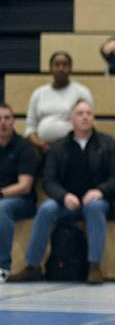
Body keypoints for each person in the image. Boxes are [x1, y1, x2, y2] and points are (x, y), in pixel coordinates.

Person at [8, 100, 115, 285]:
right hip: (67, 202)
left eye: (88, 113)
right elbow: (49, 180)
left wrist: (100, 191)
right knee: (46, 209)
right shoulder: (59, 147)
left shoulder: (108, 144)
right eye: (80, 114)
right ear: (71, 120)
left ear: (93, 118)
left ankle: (94, 266)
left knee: (95, 208)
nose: (85, 117)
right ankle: (32, 266)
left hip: (96, 201)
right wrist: (64, 196)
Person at [0, 103, 39, 284]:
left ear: (14, 121)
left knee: (2, 208)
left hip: (21, 201)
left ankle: (3, 267)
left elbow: (25, 186)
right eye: (0, 119)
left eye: (7, 118)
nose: (3, 123)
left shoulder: (24, 147)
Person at [25, 51, 93, 154]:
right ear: (50, 69)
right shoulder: (38, 93)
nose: (61, 68)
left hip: (72, 150)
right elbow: (30, 127)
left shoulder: (82, 92)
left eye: (65, 65)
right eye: (57, 65)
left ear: (71, 68)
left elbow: (86, 123)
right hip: (41, 149)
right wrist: (39, 144)